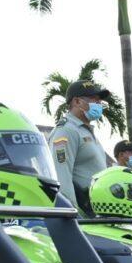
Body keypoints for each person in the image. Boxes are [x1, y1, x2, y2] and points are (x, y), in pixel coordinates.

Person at [48, 80, 110, 216]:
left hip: (96, 215)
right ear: (77, 102)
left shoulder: (85, 131)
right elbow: (61, 176)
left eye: (99, 101)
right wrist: (71, 216)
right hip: (81, 216)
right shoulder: (66, 131)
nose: (99, 104)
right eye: (94, 100)